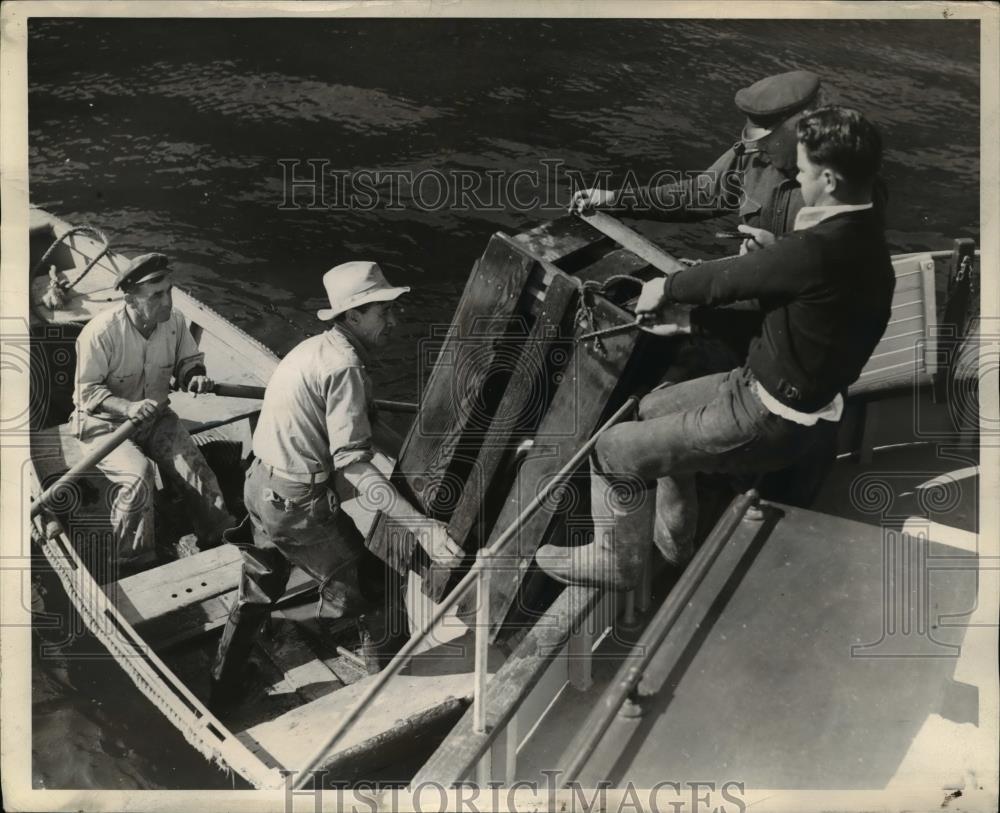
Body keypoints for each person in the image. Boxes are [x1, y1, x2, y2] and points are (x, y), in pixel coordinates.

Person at [538, 106, 895, 589]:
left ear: (828, 179)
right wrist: (692, 321)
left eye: (805, 171)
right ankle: (675, 536)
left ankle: (616, 563)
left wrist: (667, 290)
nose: (799, 177)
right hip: (785, 392)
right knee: (648, 411)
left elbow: (724, 280)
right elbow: (801, 316)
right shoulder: (866, 240)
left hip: (770, 417)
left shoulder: (816, 249)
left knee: (610, 450)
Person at [210, 261, 464, 703]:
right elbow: (352, 465)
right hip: (296, 506)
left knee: (259, 587)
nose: (394, 320)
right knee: (378, 588)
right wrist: (424, 527)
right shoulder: (345, 367)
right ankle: (387, 701)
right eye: (383, 311)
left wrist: (417, 454)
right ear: (353, 317)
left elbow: (366, 426)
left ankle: (223, 685)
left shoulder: (315, 349)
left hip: (259, 487)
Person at [73, 252, 235, 569]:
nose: (168, 302)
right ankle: (134, 560)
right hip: (104, 425)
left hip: (157, 420)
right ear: (131, 300)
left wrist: (194, 375)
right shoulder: (100, 332)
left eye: (170, 291)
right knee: (138, 478)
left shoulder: (174, 323)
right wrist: (127, 406)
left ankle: (218, 538)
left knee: (195, 468)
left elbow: (188, 361)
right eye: (157, 295)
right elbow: (87, 392)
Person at [572, 69, 824, 243]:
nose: (759, 146)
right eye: (755, 137)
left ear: (803, 125)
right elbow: (698, 194)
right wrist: (616, 199)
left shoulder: (847, 173)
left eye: (768, 137)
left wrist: (775, 253)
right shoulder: (752, 155)